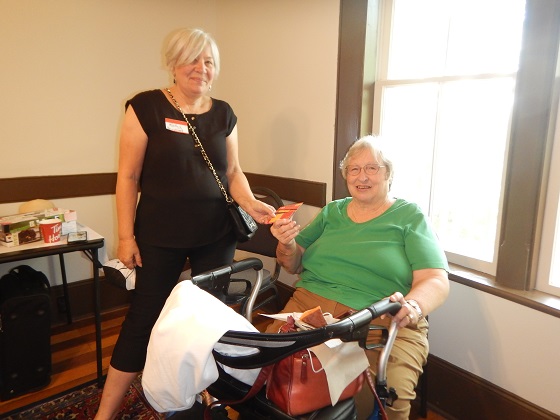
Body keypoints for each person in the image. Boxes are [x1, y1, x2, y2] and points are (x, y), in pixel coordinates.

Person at [95, 28, 275, 419]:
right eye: (193, 59)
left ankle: (198, 398)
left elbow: (233, 173)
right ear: (174, 63)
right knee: (143, 318)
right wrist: (126, 237)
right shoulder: (145, 107)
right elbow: (127, 177)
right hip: (159, 235)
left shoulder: (224, 113)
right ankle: (105, 413)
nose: (201, 68)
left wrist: (251, 203)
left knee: (207, 320)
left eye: (209, 62)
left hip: (215, 234)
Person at [267, 135, 449, 420]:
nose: (362, 176)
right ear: (346, 175)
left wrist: (413, 306)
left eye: (372, 168)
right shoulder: (332, 212)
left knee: (387, 396)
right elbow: (292, 263)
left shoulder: (409, 217)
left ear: (388, 173)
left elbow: (436, 279)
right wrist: (286, 244)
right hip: (311, 308)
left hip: (381, 315)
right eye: (354, 169)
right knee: (268, 369)